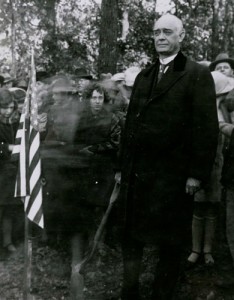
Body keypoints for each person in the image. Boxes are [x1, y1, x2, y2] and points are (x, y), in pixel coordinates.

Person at [118, 14, 218, 300]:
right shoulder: (145, 76)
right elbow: (131, 126)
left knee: (171, 243)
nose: (160, 37)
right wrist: (122, 167)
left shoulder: (197, 74)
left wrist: (196, 174)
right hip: (139, 176)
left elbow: (206, 128)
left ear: (181, 36)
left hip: (174, 178)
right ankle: (130, 292)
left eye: (167, 32)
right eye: (156, 32)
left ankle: (162, 294)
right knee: (132, 239)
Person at [41, 81, 120, 299]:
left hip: (84, 176)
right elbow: (53, 143)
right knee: (69, 222)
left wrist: (81, 153)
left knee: (81, 222)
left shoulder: (89, 116)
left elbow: (94, 142)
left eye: (66, 94)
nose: (62, 98)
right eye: (58, 94)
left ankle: (78, 267)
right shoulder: (56, 114)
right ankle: (69, 262)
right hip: (66, 177)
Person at [187, 71, 234, 267]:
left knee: (212, 206)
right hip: (199, 164)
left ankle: (207, 250)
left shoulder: (225, 109)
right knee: (198, 207)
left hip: (218, 165)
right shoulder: (198, 109)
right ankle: (195, 249)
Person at [0, 88, 21, 256]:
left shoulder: (15, 121)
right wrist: (7, 147)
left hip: (9, 171)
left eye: (11, 107)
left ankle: (7, 242)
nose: (7, 111)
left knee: (8, 207)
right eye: (3, 107)